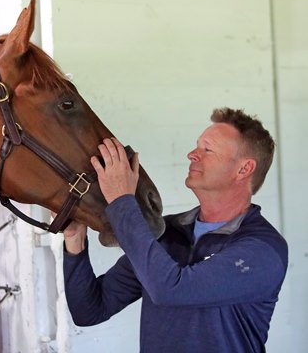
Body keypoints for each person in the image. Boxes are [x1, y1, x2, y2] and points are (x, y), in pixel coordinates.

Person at [62, 107, 288, 353]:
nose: (192, 155)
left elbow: (170, 289)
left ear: (244, 169)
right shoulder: (167, 231)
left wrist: (121, 199)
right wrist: (75, 240)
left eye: (207, 150)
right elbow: (90, 309)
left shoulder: (262, 250)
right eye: (197, 146)